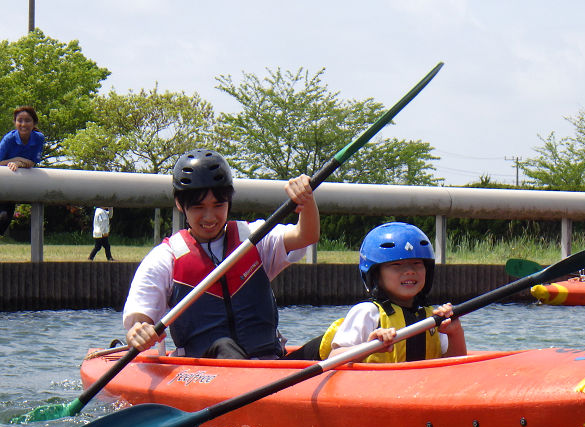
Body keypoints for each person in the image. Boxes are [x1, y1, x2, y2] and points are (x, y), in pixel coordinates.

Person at [123, 149, 319, 359]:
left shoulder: (254, 239)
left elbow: (306, 235)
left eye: (218, 205)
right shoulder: (164, 258)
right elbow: (139, 316)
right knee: (224, 346)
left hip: (269, 365)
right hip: (206, 370)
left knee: (332, 338)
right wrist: (138, 330)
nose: (210, 217)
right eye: (199, 207)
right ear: (180, 204)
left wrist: (306, 199)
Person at [321, 222, 466, 363]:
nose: (410, 271)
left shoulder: (431, 318)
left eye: (417, 263)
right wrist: (370, 347)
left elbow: (456, 363)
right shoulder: (367, 313)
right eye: (396, 265)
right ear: (376, 275)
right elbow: (334, 357)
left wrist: (455, 332)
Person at [0, 106, 45, 236]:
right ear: (15, 122)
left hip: (13, 186)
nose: (23, 124)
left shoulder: (39, 138)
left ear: (34, 123)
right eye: (20, 120)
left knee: (4, 219)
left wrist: (18, 164)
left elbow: (32, 162)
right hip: (3, 180)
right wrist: (16, 159)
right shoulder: (9, 139)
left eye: (27, 120)